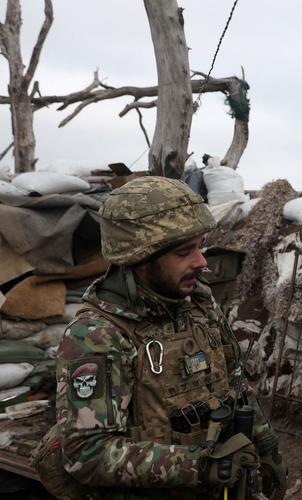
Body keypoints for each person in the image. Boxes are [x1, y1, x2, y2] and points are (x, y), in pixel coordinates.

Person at [33, 176, 287, 499]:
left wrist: (268, 450)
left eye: (199, 246)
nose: (201, 261)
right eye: (184, 252)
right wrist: (200, 465)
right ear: (141, 259)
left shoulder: (199, 304)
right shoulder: (98, 336)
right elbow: (86, 453)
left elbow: (236, 384)